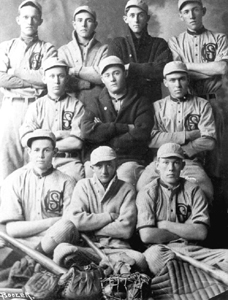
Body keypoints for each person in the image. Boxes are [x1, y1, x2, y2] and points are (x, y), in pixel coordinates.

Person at [136, 142, 228, 275]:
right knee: (153, 258)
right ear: (157, 166)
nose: (171, 168)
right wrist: (186, 229)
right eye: (166, 162)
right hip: (162, 251)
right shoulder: (147, 192)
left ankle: (188, 274)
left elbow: (201, 233)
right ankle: (200, 275)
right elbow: (147, 235)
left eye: (176, 163)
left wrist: (164, 225)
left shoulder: (194, 190)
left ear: (183, 165)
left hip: (192, 251)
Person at [51, 146, 147, 272]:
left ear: (116, 164)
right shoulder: (83, 185)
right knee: (62, 251)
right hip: (89, 247)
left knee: (139, 260)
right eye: (99, 166)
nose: (104, 171)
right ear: (92, 168)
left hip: (118, 249)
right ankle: (104, 271)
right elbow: (77, 221)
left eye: (109, 165)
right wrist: (110, 217)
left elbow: (126, 229)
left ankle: (100, 271)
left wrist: (90, 229)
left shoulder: (127, 188)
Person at [137, 61, 216, 203]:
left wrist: (183, 150)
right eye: (172, 80)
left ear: (188, 80)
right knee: (142, 189)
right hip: (160, 164)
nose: (177, 85)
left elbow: (209, 141)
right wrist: (188, 135)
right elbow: (152, 139)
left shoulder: (202, 105)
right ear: (165, 82)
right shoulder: (157, 107)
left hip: (190, 162)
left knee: (204, 191)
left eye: (181, 79)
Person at [168, 0, 228, 178]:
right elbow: (180, 74)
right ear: (181, 15)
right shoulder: (176, 41)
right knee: (191, 156)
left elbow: (222, 69)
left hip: (214, 103)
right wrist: (209, 69)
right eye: (186, 11)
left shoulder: (218, 38)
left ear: (203, 11)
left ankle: (218, 203)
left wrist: (187, 67)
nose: (191, 15)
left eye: (195, 10)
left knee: (218, 159)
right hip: (189, 104)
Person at [0, 0, 57, 187]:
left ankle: (32, 212)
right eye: (25, 17)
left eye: (34, 18)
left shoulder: (47, 49)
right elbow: (1, 77)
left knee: (35, 158)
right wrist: (32, 82)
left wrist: (14, 72)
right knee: (7, 159)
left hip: (36, 105)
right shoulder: (6, 47)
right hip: (12, 106)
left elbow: (45, 79)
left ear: (40, 21)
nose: (29, 21)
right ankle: (7, 211)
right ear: (18, 20)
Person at [0, 129, 76, 266]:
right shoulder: (15, 179)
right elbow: (12, 229)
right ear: (29, 152)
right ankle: (29, 265)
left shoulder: (67, 182)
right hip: (19, 244)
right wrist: (51, 222)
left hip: (52, 243)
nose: (41, 155)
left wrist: (32, 229)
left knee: (65, 229)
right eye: (36, 150)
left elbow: (66, 226)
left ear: (55, 152)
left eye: (46, 150)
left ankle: (27, 264)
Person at [80, 55, 154, 186]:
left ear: (125, 74)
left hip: (129, 158)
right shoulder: (95, 102)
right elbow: (86, 131)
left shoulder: (141, 101)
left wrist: (104, 135)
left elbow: (141, 133)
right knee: (90, 182)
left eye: (116, 73)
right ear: (102, 79)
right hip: (99, 158)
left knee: (124, 181)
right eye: (107, 75)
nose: (112, 79)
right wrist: (124, 128)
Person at [20, 57, 85, 181]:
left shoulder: (76, 106)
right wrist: (63, 135)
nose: (56, 81)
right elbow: (25, 139)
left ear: (66, 79)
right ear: (44, 79)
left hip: (68, 161)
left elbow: (77, 142)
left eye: (61, 76)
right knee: (19, 182)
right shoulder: (36, 106)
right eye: (52, 76)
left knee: (75, 184)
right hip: (39, 161)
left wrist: (42, 144)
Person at [107, 0, 172, 102]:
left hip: (152, 102)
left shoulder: (159, 44)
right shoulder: (118, 44)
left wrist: (130, 67)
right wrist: (148, 71)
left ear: (147, 18)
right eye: (132, 15)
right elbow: (112, 73)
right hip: (125, 104)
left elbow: (162, 70)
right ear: (125, 19)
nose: (136, 20)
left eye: (140, 15)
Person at [58, 5, 107, 108]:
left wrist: (74, 71)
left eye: (88, 20)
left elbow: (103, 77)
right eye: (80, 20)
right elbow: (62, 80)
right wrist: (87, 82)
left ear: (95, 25)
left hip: (97, 106)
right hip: (69, 106)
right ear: (74, 24)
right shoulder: (63, 51)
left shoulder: (104, 50)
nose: (84, 25)